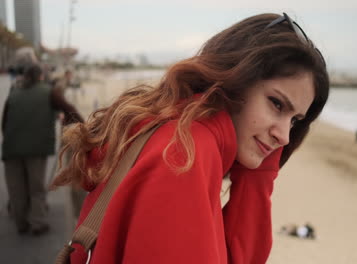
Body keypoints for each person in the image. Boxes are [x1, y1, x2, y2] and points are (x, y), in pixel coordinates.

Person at [51, 12, 329, 263]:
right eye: (276, 104)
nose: (284, 136)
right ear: (236, 79)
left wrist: (258, 174)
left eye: (295, 121)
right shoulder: (184, 155)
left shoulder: (173, 127)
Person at [2, 64, 83, 235]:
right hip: (36, 148)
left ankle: (21, 223)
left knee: (16, 187)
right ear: (40, 77)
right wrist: (85, 128)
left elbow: (4, 121)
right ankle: (37, 223)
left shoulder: (14, 93)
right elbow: (69, 109)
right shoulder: (48, 92)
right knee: (35, 186)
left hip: (11, 148)